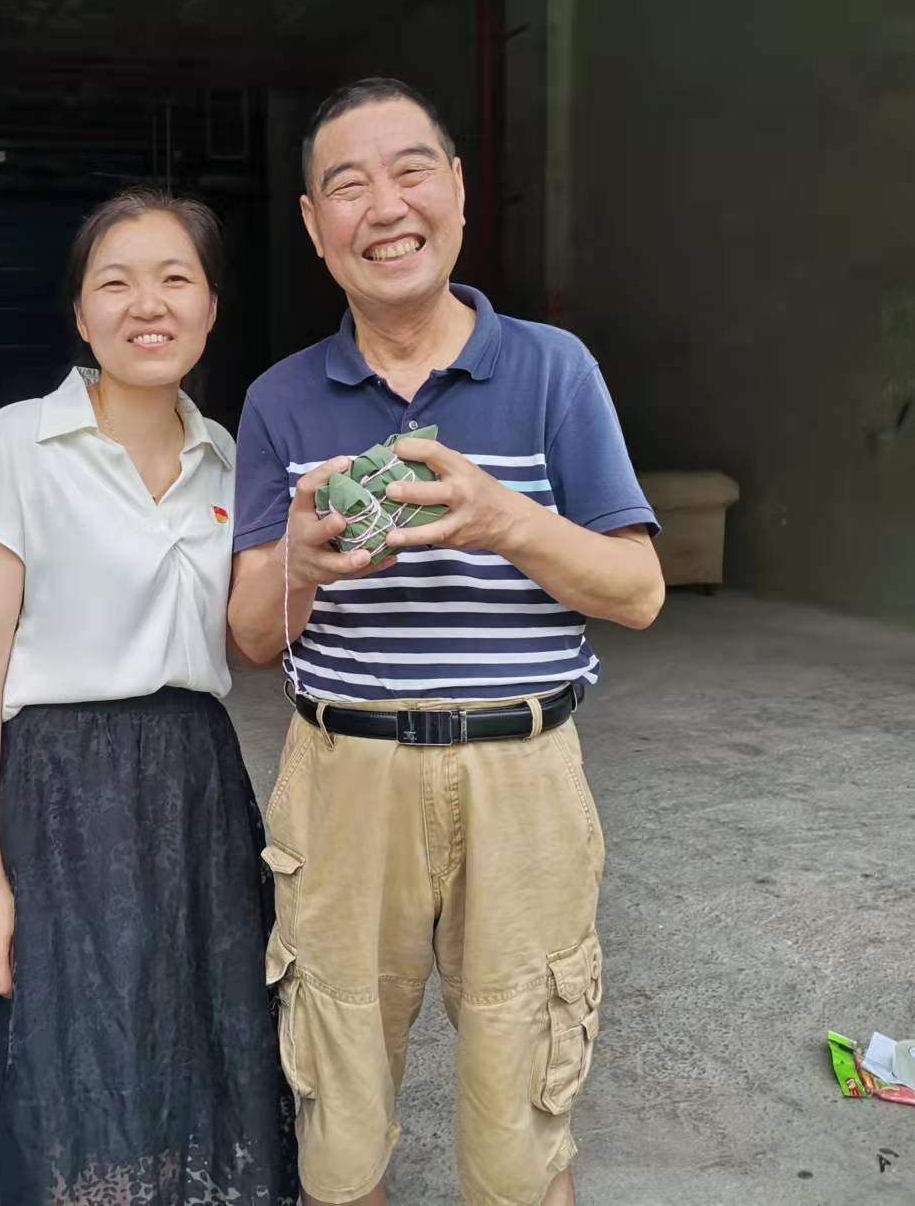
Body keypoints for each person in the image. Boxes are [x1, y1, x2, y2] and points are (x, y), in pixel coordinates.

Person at [227, 79, 664, 1206]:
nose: (384, 206)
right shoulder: (279, 399)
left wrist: (501, 519)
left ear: (459, 191)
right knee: (337, 1117)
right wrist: (300, 564)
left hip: (523, 778)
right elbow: (250, 635)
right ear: (313, 224)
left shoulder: (554, 370)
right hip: (343, 779)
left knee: (521, 1123)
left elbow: (638, 590)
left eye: (410, 170)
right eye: (347, 185)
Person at [0, 188, 297, 1205]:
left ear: (210, 307)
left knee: (199, 1030)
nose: (149, 304)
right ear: (82, 314)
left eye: (175, 278)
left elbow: (249, 638)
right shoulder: (19, 444)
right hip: (58, 788)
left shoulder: (229, 459)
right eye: (116, 282)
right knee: (72, 1042)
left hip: (195, 784)